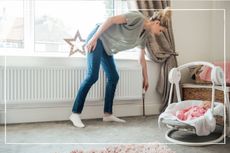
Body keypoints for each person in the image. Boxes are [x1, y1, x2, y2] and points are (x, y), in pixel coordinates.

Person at [69, 8, 171, 128]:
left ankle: (107, 114)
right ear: (157, 23)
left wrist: (146, 78)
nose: (159, 33)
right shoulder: (137, 18)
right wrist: (94, 38)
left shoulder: (145, 36)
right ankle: (75, 113)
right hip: (98, 39)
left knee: (113, 77)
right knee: (92, 76)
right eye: (160, 30)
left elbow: (141, 58)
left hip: (106, 48)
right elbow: (111, 20)